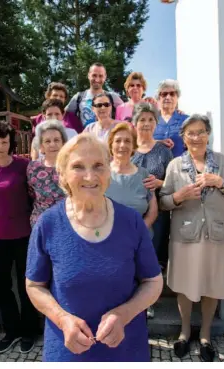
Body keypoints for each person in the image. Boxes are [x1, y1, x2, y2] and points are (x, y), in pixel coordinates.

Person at [25, 133, 163, 361]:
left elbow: (153, 282)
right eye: (78, 166)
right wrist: (62, 319)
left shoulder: (131, 221)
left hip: (126, 351)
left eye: (98, 165)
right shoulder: (47, 224)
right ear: (63, 175)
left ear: (109, 171)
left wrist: (124, 314)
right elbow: (34, 286)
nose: (90, 176)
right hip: (68, 352)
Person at [159, 114, 224, 362]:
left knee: (212, 285)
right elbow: (163, 202)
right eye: (190, 133)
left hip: (216, 234)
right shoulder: (175, 165)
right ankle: (185, 331)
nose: (196, 137)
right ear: (183, 138)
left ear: (208, 135)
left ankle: (205, 333)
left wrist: (221, 183)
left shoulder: (223, 162)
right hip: (185, 235)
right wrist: (180, 196)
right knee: (185, 287)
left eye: (201, 132)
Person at [0, 121, 41, 354]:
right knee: (1, 286)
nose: (0, 146)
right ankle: (11, 329)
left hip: (25, 235)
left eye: (5, 142)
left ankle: (29, 330)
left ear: (10, 143)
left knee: (27, 285)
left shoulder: (24, 165)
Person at [130, 102, 174, 317]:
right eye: (142, 120)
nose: (146, 124)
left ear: (156, 123)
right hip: (131, 212)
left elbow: (174, 181)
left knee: (152, 255)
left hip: (158, 214)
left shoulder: (164, 151)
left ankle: (149, 301)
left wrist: (160, 183)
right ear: (134, 123)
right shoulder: (127, 149)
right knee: (131, 254)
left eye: (150, 120)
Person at [105, 123, 158, 231]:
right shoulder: (102, 174)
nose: (122, 145)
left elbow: (153, 211)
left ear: (133, 146)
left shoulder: (144, 175)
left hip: (139, 239)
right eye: (118, 141)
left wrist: (138, 231)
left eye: (127, 141)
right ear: (111, 145)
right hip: (107, 239)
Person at [27, 120, 68, 226]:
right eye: (47, 141)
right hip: (41, 223)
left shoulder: (72, 166)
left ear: (63, 143)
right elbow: (31, 194)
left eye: (56, 140)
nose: (52, 144)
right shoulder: (33, 167)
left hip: (67, 222)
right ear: (41, 146)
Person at [66, 62, 124, 128]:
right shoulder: (78, 97)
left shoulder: (112, 97)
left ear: (105, 77)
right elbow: (65, 116)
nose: (97, 79)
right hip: (86, 136)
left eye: (100, 76)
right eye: (94, 75)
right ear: (88, 75)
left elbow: (126, 112)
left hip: (107, 136)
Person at [153, 79, 189, 157]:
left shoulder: (186, 121)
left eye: (172, 94)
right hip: (154, 167)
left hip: (179, 167)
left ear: (177, 97)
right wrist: (157, 142)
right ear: (158, 98)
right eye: (164, 94)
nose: (168, 97)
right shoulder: (150, 120)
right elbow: (141, 143)